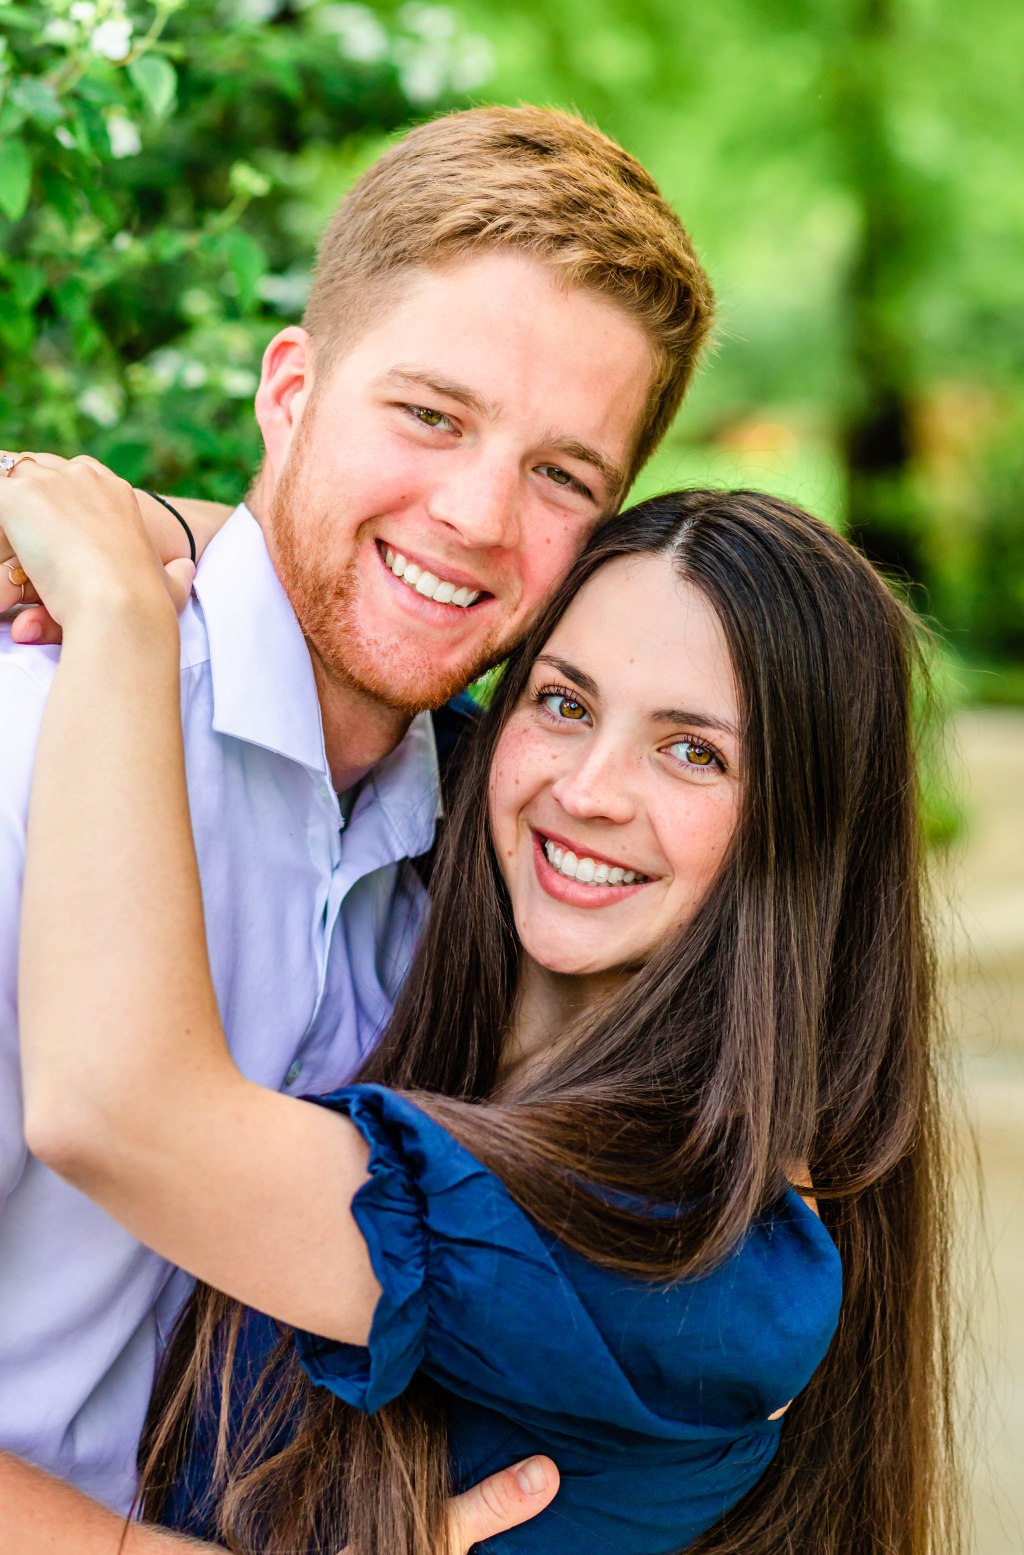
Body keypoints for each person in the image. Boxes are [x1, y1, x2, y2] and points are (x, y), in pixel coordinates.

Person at [2, 470, 960, 1555]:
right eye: (564, 701)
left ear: (803, 832)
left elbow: (116, 1112)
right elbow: (367, 607)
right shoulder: (466, 866)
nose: (589, 787)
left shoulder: (700, 1258)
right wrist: (133, 518)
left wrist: (120, 606)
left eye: (693, 750)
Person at [0, 104, 714, 1513]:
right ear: (290, 392)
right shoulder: (33, 744)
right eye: (430, 414)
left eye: (563, 474)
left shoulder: (495, 846)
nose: (474, 511)